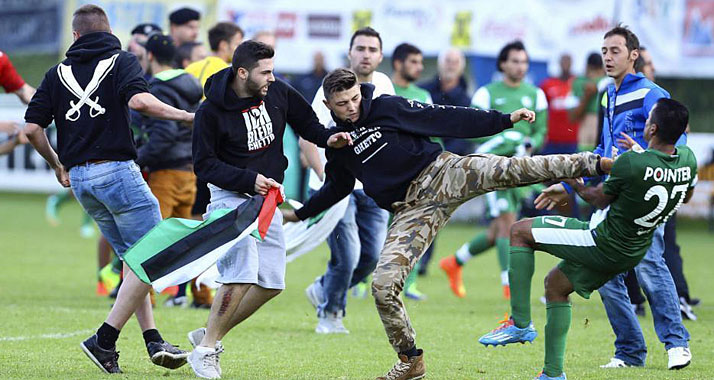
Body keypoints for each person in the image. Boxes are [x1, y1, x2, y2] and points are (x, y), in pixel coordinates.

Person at [283, 68, 613, 380]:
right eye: (342, 104)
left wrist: (503, 121)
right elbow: (335, 188)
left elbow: (445, 117)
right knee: (382, 286)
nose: (352, 107)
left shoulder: (386, 107)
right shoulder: (338, 146)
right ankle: (410, 359)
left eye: (355, 98)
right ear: (328, 105)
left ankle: (595, 163)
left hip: (444, 174)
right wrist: (298, 214)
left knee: (514, 170)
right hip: (411, 212)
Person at [23, 5, 195, 373]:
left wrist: (57, 164)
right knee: (153, 256)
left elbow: (32, 129)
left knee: (136, 263)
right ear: (108, 30)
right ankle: (104, 339)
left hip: (83, 183)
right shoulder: (123, 61)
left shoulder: (56, 74)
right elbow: (139, 101)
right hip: (118, 172)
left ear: (75, 37)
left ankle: (153, 341)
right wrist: (185, 116)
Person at [479, 98, 696, 380]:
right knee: (555, 285)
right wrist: (642, 157)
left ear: (652, 128)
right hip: (633, 250)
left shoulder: (632, 163)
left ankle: (519, 323)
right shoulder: (687, 160)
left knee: (519, 231)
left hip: (600, 240)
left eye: (647, 120)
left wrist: (572, 180)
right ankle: (553, 374)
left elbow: (598, 197)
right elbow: (680, 191)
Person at [184, 41, 352, 379]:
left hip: (268, 199)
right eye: (266, 72)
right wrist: (248, 178)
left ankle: (208, 334)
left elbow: (309, 125)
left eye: (273, 71)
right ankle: (205, 351)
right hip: (230, 198)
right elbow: (204, 165)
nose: (272, 78)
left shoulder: (278, 92)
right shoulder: (210, 111)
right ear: (242, 73)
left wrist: (329, 138)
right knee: (241, 273)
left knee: (272, 282)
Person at [299, 27, 394, 334]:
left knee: (372, 256)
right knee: (348, 254)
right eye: (360, 48)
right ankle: (330, 314)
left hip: (372, 186)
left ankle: (324, 288)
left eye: (372, 49)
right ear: (350, 52)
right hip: (337, 187)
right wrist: (325, 177)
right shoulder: (331, 88)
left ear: (380, 55)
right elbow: (308, 138)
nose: (366, 54)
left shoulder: (384, 85)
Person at [441, 41, 548, 299]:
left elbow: (541, 132)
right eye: (514, 61)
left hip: (521, 168)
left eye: (524, 61)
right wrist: (509, 142)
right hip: (491, 168)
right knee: (507, 224)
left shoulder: (536, 95)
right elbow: (476, 133)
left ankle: (454, 262)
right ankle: (508, 287)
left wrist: (527, 145)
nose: (520, 66)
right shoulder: (485, 94)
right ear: (502, 64)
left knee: (498, 229)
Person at [137, 33, 205, 308]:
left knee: (150, 240)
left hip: (165, 172)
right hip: (188, 171)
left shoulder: (158, 88)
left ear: (149, 56)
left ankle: (144, 298)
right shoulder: (190, 82)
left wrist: (138, 158)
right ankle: (201, 294)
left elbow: (163, 135)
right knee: (188, 239)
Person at [415, 47, 471, 277]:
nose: (451, 64)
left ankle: (422, 264)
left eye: (455, 61)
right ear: (439, 64)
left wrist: (446, 157)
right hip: (420, 159)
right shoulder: (424, 92)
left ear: (462, 66)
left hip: (448, 164)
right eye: (447, 60)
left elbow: (466, 136)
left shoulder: (466, 98)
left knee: (434, 212)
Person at [391, 42, 432, 301]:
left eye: (420, 62)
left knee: (413, 228)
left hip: (413, 172)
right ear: (398, 63)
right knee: (375, 230)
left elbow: (429, 132)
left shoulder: (423, 96)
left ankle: (410, 283)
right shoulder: (383, 89)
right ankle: (362, 280)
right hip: (383, 171)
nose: (419, 67)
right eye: (413, 62)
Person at [540, 53, 579, 155]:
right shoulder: (548, 84)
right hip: (552, 139)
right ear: (559, 63)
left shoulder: (578, 83)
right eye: (564, 61)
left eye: (568, 61)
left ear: (572, 63)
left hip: (572, 139)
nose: (566, 64)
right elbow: (541, 110)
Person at [571, 53, 608, 152]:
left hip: (595, 125)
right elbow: (572, 116)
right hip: (590, 126)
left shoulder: (607, 81)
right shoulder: (580, 82)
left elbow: (572, 117)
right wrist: (587, 96)